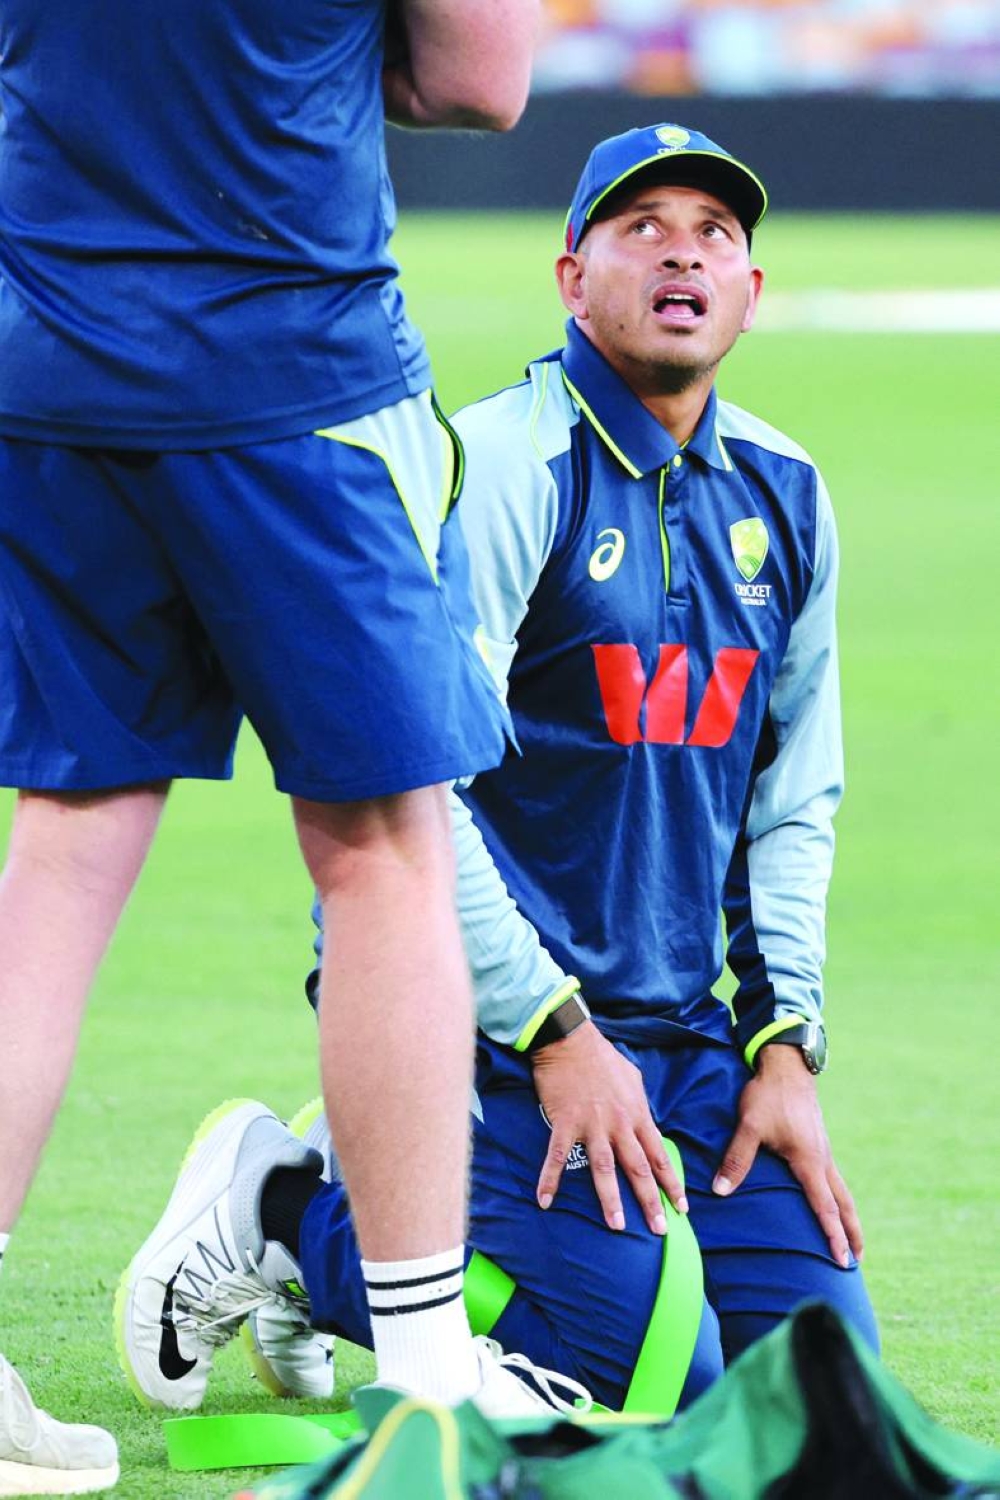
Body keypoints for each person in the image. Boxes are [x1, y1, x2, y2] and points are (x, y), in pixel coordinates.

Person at [120, 122, 879, 1420]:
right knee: (640, 1383)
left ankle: (357, 1194)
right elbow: (417, 792)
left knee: (814, 1393)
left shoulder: (789, 492)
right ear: (572, 277)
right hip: (487, 1020)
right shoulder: (506, 466)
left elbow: (792, 803)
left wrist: (786, 1050)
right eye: (642, 229)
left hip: (682, 1038)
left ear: (751, 292)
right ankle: (290, 1213)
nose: (682, 254)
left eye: (714, 234)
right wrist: (555, 1031)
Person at [0, 0, 546, 1489]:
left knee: (64, 842)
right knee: (383, 850)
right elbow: (481, 79)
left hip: (53, 359)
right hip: (293, 368)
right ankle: (428, 1373)